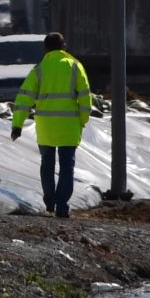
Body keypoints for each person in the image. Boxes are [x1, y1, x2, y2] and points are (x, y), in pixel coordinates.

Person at [10, 32, 91, 218]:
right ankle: (62, 204)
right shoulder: (75, 67)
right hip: (69, 125)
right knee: (66, 165)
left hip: (46, 126)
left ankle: (49, 200)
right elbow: (85, 96)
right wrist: (83, 119)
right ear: (64, 47)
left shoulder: (39, 70)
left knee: (47, 163)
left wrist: (17, 125)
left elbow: (24, 98)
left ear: (45, 48)